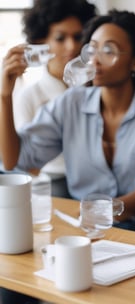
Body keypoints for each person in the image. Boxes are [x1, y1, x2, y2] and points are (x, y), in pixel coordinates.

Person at [0, 10, 135, 232]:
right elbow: (14, 160)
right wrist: (4, 96)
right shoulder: (71, 103)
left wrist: (102, 212)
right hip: (88, 228)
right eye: (91, 49)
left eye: (108, 50)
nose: (94, 59)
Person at [6, 0, 98, 198]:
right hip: (51, 182)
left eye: (78, 36)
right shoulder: (29, 96)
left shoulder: (99, 87)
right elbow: (22, 162)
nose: (72, 46)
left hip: (97, 183)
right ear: (41, 43)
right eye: (60, 38)